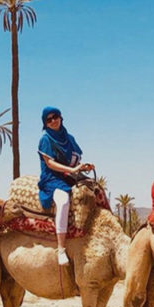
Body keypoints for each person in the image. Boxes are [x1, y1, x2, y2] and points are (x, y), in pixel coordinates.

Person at [38, 106, 93, 266]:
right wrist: (72, 170)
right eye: (49, 119)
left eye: (55, 117)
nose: (53, 121)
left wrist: (84, 167)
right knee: (63, 201)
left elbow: (75, 159)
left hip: (70, 175)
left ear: (61, 117)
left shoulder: (69, 138)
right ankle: (61, 248)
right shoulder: (46, 139)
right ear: (45, 123)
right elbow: (50, 163)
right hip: (52, 178)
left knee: (96, 191)